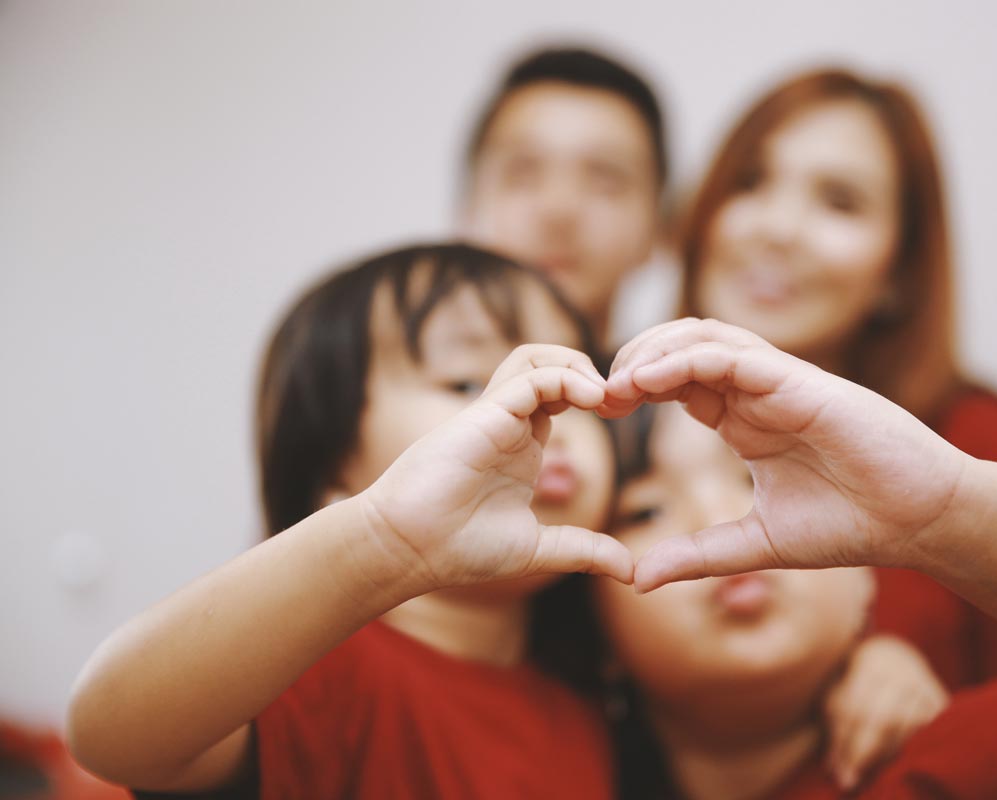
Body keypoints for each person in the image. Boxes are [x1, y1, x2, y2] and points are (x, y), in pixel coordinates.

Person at [66, 243, 632, 798]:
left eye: (567, 381)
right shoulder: (311, 665)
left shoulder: (594, 703)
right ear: (332, 465)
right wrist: (381, 539)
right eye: (465, 382)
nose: (540, 409)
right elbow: (112, 734)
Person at [593, 317, 997, 800]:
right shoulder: (555, 775)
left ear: (869, 585)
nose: (716, 516)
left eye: (756, 480)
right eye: (645, 511)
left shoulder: (964, 759)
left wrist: (947, 513)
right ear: (589, 624)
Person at [679, 67, 997, 692]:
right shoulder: (614, 429)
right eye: (750, 182)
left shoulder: (977, 442)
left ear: (898, 274)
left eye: (839, 201)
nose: (777, 229)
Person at [460, 46, 667, 349]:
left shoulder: (694, 396)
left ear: (659, 226)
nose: (559, 209)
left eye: (605, 178)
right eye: (523, 172)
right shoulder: (378, 391)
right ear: (467, 208)